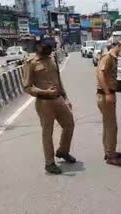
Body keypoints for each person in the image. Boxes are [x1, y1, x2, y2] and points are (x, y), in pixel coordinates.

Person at [23, 39, 76, 174]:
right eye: (47, 47)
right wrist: (44, 92)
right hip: (44, 102)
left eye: (51, 47)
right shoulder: (31, 63)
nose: (50, 49)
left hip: (58, 99)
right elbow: (27, 87)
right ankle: (49, 163)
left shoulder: (52, 59)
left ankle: (63, 151)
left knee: (69, 124)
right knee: (48, 133)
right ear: (39, 46)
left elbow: (58, 80)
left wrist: (66, 97)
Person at [96, 40, 121, 167]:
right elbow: (100, 73)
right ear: (119, 46)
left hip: (107, 94)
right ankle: (111, 156)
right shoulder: (108, 57)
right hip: (105, 95)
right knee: (111, 126)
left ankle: (109, 151)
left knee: (108, 125)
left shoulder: (113, 58)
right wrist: (107, 93)